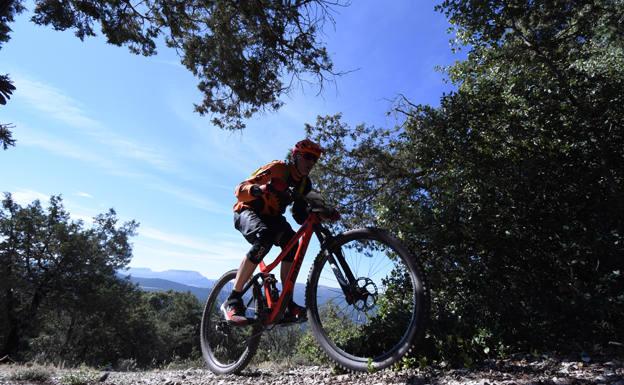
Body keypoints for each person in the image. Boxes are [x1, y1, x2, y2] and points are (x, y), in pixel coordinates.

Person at [221, 139, 324, 325]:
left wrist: (321, 211)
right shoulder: (278, 169)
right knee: (265, 236)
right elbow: (240, 190)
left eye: (315, 160)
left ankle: (286, 302)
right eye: (308, 157)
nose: (311, 162)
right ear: (296, 156)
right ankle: (233, 299)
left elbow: (299, 215)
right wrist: (263, 188)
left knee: (293, 243)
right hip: (247, 210)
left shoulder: (304, 184)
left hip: (272, 218)